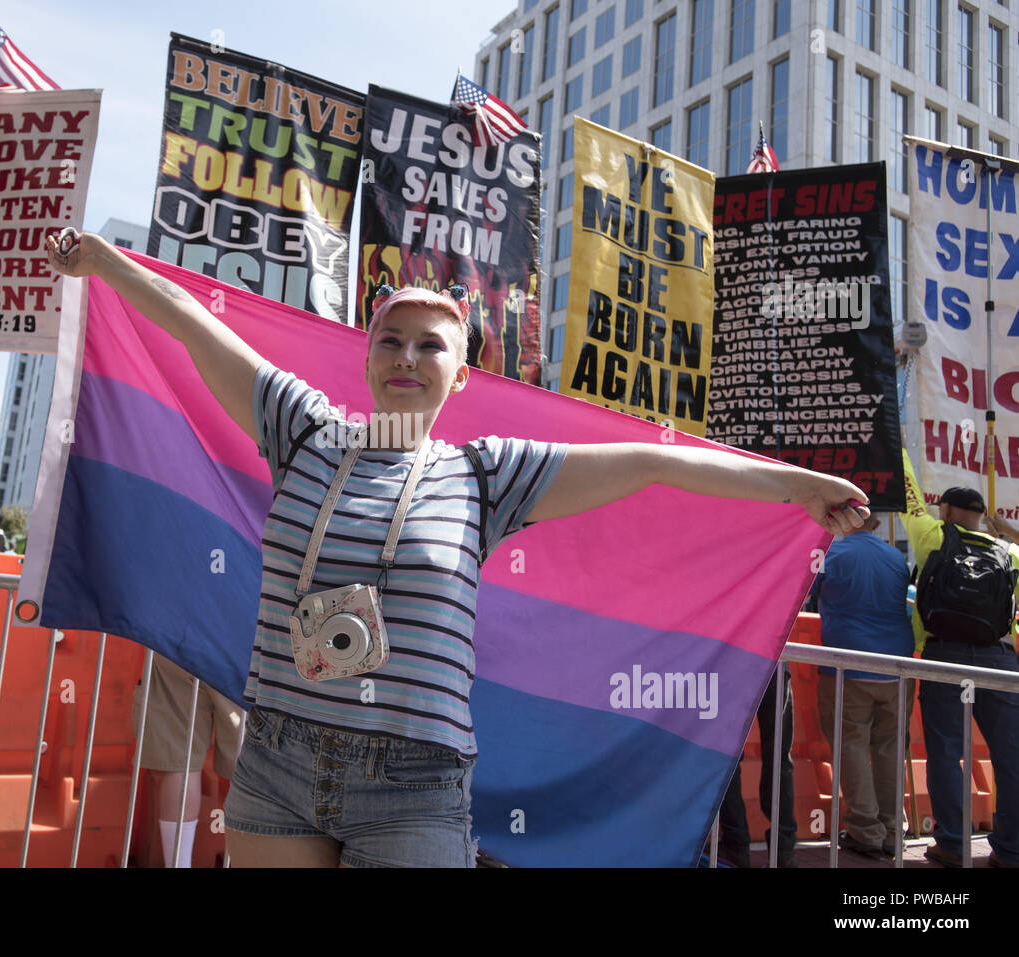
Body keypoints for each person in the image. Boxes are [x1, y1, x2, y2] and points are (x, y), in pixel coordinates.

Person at [45, 231, 870, 867]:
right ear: (366, 356)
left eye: (430, 344)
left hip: (414, 782)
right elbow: (191, 325)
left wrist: (791, 484)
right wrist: (104, 263)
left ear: (462, 373)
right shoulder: (300, 430)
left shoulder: (489, 475)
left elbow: (651, 463)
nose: (407, 356)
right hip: (279, 758)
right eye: (389, 340)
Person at [900, 449, 1019, 868]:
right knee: (1011, 756)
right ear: (982, 514)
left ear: (948, 510)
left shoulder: (932, 535)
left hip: (944, 655)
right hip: (1000, 661)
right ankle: (1010, 850)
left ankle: (952, 843)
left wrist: (896, 446)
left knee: (947, 752)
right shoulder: (1010, 554)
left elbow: (908, 495)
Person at [810, 513, 916, 858]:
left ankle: (865, 829)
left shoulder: (833, 555)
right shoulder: (895, 557)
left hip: (849, 664)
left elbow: (805, 591)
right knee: (889, 748)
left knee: (851, 744)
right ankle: (891, 830)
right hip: (897, 664)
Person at [131, 655, 243, 868]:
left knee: (179, 760)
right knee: (250, 766)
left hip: (177, 640)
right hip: (239, 643)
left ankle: (178, 864)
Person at [716, 666, 797, 867]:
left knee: (729, 758)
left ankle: (735, 847)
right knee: (779, 759)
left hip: (735, 662)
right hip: (774, 663)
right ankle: (784, 851)